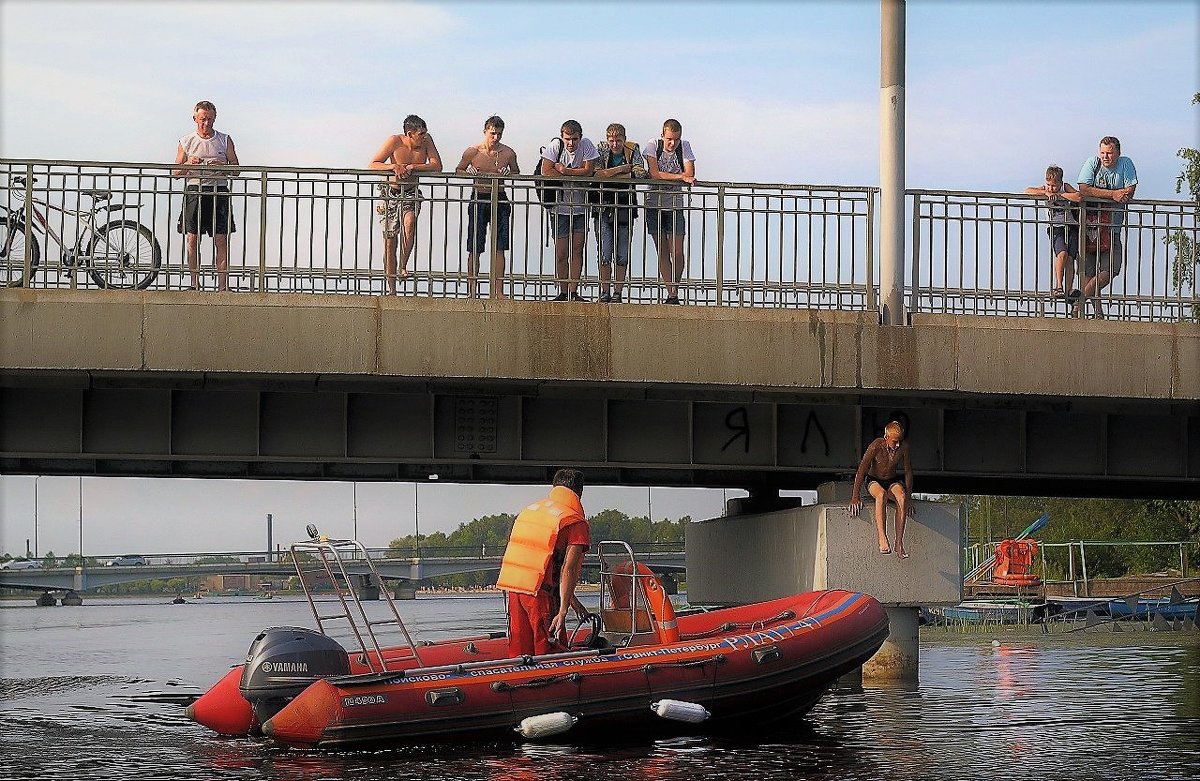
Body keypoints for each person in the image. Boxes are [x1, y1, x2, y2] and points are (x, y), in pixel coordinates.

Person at [495, 468, 591, 657]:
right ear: (579, 492)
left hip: (516, 592)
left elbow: (538, 558)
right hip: (541, 595)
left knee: (520, 652)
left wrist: (572, 601)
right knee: (549, 652)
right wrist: (563, 612)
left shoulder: (530, 512)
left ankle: (519, 683)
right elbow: (568, 569)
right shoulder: (574, 521)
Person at [369, 115, 443, 295]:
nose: (424, 136)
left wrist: (412, 167)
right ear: (410, 134)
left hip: (410, 192)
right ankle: (392, 288)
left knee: (410, 223)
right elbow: (373, 164)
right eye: (421, 134)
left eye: (425, 133)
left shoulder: (427, 141)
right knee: (389, 241)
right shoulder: (394, 141)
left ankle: (403, 264)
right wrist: (393, 167)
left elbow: (437, 165)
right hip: (389, 193)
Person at [173, 100, 240, 291]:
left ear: (215, 119)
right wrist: (188, 164)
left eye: (210, 119)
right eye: (203, 119)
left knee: (220, 239)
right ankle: (194, 284)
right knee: (192, 238)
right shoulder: (186, 141)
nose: (206, 124)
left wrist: (222, 166)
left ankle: (223, 286)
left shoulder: (224, 139)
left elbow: (236, 169)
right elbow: (175, 173)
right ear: (195, 118)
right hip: (195, 191)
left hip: (218, 191)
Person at [455, 116, 520, 299]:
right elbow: (458, 170)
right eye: (493, 133)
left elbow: (516, 172)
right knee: (474, 245)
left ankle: (498, 291)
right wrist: (468, 172)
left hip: (499, 197)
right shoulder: (473, 151)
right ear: (485, 132)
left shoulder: (508, 153)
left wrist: (509, 173)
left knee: (500, 245)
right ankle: (472, 291)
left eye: (499, 134)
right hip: (479, 196)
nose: (496, 137)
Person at [1075, 136, 1138, 319]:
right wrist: (1113, 194)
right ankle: (1097, 313)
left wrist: (1117, 194)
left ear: (1118, 153)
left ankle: (1080, 300)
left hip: (1113, 227)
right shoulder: (1092, 163)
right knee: (1088, 271)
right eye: (1102, 152)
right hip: (1089, 226)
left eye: (1109, 153)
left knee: (1111, 269)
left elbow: (1130, 190)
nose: (1105, 156)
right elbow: (1083, 189)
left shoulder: (1125, 164)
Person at [540, 120, 598, 301]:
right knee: (562, 252)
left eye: (574, 139)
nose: (571, 143)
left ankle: (573, 291)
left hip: (580, 207)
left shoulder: (587, 145)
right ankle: (563, 291)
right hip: (559, 209)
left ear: (580, 137)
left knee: (578, 249)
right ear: (562, 137)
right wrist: (574, 172)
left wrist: (564, 171)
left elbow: (589, 170)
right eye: (568, 139)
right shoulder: (555, 146)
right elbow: (545, 171)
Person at [643, 119, 696, 304]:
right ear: (662, 135)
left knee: (678, 252)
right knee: (663, 252)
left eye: (676, 139)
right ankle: (672, 293)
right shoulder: (653, 146)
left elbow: (690, 172)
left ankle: (675, 286)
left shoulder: (685, 146)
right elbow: (654, 174)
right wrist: (680, 177)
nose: (672, 143)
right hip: (654, 205)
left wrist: (683, 176)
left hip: (675, 205)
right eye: (669, 139)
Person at [592, 123, 646, 303]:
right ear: (607, 140)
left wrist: (609, 174)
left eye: (618, 141)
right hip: (603, 207)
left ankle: (618, 292)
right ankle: (604, 291)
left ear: (624, 139)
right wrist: (622, 169)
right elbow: (596, 174)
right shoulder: (600, 149)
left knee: (622, 254)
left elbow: (639, 174)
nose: (614, 145)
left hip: (625, 207)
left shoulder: (633, 149)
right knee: (605, 252)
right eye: (611, 141)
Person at [849, 421, 914, 558]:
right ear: (886, 437)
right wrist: (855, 496)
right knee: (881, 495)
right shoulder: (876, 446)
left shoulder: (904, 448)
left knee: (901, 497)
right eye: (895, 441)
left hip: (892, 480)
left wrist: (909, 498)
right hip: (874, 480)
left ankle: (899, 542)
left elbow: (908, 472)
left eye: (900, 441)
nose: (897, 445)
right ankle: (882, 538)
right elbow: (861, 470)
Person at [1024, 165, 1081, 302]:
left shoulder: (1065, 187)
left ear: (1060, 183)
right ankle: (1058, 286)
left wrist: (1060, 195)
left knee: (1070, 258)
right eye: (1049, 185)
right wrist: (1045, 193)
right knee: (1062, 254)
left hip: (1071, 226)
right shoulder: (1045, 189)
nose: (1051, 188)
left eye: (1054, 186)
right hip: (1055, 227)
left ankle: (1068, 290)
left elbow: (1079, 196)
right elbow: (1027, 191)